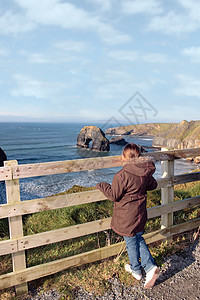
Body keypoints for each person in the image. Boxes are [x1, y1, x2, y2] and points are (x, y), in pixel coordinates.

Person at [96, 143, 159, 289]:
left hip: (126, 216)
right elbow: (153, 185)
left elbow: (114, 195)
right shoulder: (145, 172)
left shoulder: (122, 175)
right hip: (140, 214)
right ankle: (149, 267)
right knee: (137, 238)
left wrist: (101, 185)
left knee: (131, 242)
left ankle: (136, 270)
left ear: (124, 157)